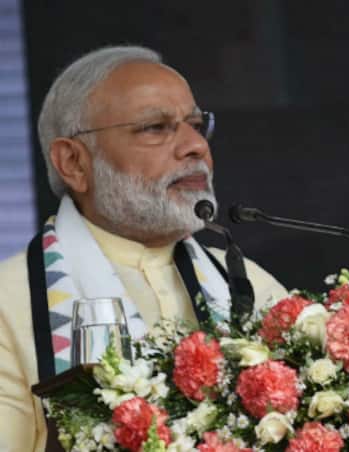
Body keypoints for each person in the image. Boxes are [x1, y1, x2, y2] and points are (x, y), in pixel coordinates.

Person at [0, 46, 287, 451]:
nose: (195, 146)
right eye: (156, 127)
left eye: (195, 124)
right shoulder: (9, 304)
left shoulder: (247, 284)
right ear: (74, 163)